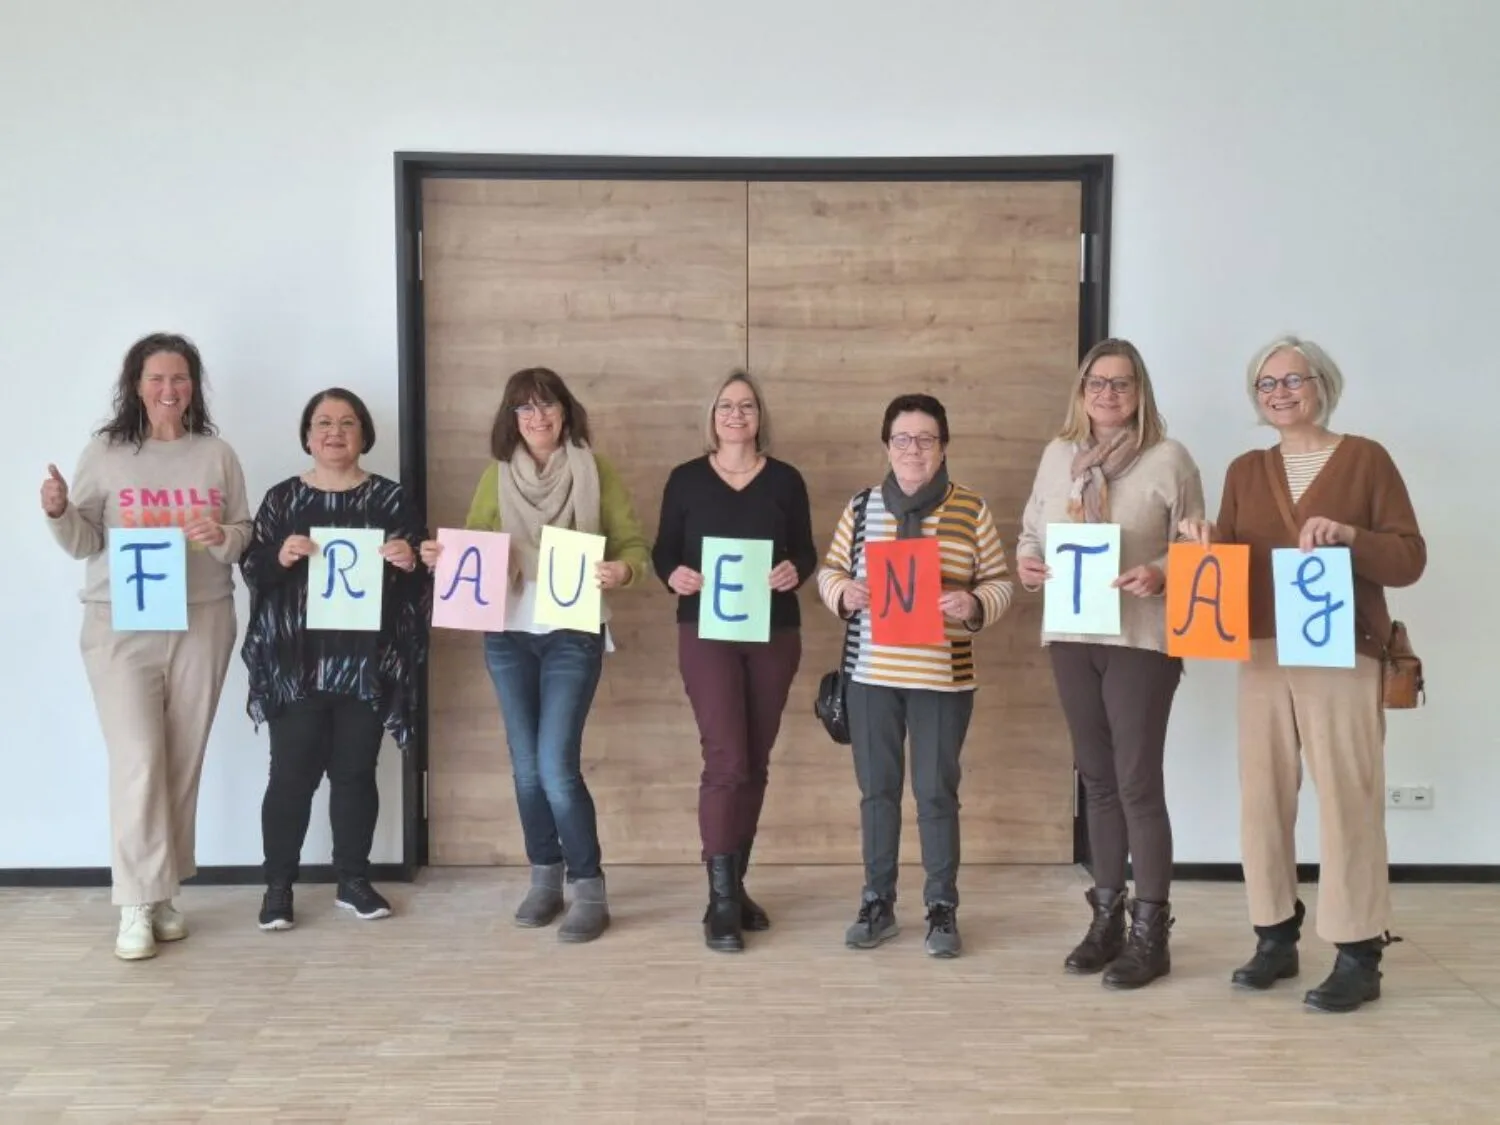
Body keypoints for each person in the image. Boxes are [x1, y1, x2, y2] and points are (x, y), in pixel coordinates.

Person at [1180, 334, 1425, 1013]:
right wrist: (1203, 544)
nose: (1281, 391)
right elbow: (1228, 560)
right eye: (1267, 382)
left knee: (1348, 794)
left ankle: (1357, 949)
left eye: (1294, 378)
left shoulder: (1366, 459)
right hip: (1261, 650)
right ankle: (1274, 934)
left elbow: (1408, 559)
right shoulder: (1245, 469)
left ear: (1323, 383)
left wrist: (1349, 536)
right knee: (1262, 795)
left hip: (1341, 650)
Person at [420, 367, 649, 944]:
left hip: (573, 633)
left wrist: (621, 570)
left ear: (565, 412)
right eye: (524, 409)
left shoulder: (595, 473)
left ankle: (589, 886)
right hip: (507, 633)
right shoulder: (495, 478)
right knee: (525, 770)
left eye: (547, 406)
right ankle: (545, 876)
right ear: (511, 420)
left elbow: (633, 546)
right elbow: (473, 547)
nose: (537, 417)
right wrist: (440, 556)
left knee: (555, 768)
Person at [41, 332, 251, 961]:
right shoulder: (105, 453)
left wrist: (221, 533)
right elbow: (82, 542)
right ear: (135, 385)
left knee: (180, 763)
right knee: (138, 760)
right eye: (157, 379)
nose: (169, 390)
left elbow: (241, 537)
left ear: (194, 387)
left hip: (203, 618)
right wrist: (57, 511)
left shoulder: (216, 454)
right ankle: (134, 899)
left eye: (180, 379)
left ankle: (162, 896)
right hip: (119, 625)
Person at [1015, 338, 1204, 989]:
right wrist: (1027, 563)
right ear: (1081, 389)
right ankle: (1107, 918)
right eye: (1097, 382)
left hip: (1141, 640)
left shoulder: (1169, 459)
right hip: (1072, 633)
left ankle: (1152, 932)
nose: (1107, 394)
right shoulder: (1057, 455)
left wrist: (1160, 571)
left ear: (1139, 391)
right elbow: (1033, 530)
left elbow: (1202, 549)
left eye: (1121, 384)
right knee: (1095, 778)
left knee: (1135, 781)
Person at [816, 393, 1015, 958]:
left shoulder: (969, 508)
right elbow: (828, 570)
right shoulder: (860, 508)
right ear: (887, 446)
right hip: (870, 674)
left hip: (942, 679)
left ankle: (941, 908)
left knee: (935, 793)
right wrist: (842, 593)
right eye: (902, 439)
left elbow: (999, 583)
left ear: (944, 446)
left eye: (926, 439)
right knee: (877, 792)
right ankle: (877, 901)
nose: (913, 449)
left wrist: (972, 603)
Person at [240, 388, 430, 931]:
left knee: (354, 773)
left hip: (366, 663)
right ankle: (278, 888)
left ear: (364, 434)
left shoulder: (391, 500)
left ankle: (353, 879)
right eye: (323, 422)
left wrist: (408, 558)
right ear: (307, 435)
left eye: (347, 422)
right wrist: (278, 554)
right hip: (297, 664)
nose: (334, 431)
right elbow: (253, 570)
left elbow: (420, 575)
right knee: (291, 776)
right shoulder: (282, 498)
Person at [652, 370, 817, 953]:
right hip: (706, 630)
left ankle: (736, 884)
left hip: (774, 632)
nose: (736, 414)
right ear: (712, 415)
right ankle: (720, 901)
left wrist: (796, 569)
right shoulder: (686, 480)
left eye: (746, 405)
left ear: (759, 416)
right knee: (725, 757)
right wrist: (673, 574)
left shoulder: (786, 480)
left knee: (755, 760)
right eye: (726, 405)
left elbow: (806, 549)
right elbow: (663, 552)